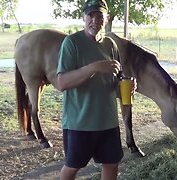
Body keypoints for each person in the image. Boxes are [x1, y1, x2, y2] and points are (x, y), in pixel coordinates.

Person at [57, 0, 135, 179]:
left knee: (111, 164)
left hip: (108, 122)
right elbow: (62, 82)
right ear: (83, 18)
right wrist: (94, 67)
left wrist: (124, 88)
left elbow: (112, 84)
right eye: (90, 16)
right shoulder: (72, 43)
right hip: (79, 123)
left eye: (99, 16)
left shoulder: (110, 45)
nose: (94, 20)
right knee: (72, 167)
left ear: (106, 19)